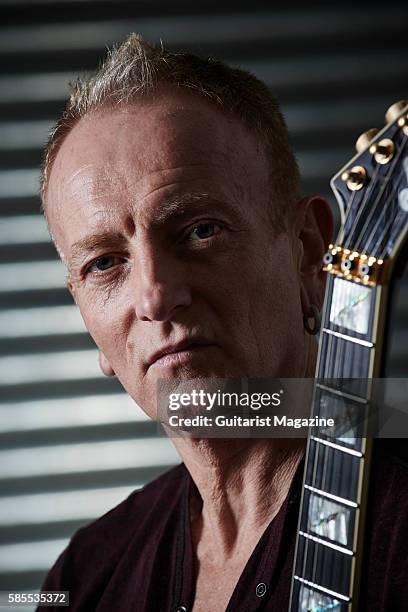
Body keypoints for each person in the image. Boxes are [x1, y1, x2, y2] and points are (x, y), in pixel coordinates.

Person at [37, 34, 407, 611]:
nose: (156, 296)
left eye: (200, 230)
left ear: (309, 253)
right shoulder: (87, 578)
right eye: (105, 264)